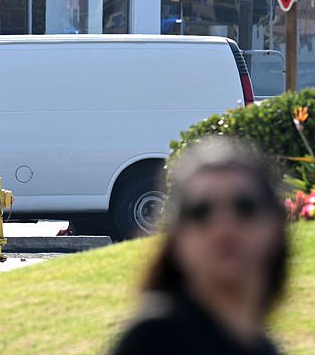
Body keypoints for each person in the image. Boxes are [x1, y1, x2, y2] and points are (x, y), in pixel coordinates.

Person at [109, 136, 288, 355]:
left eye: (244, 207)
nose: (224, 226)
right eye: (200, 212)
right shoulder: (153, 340)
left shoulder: (264, 349)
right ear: (177, 238)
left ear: (274, 228)